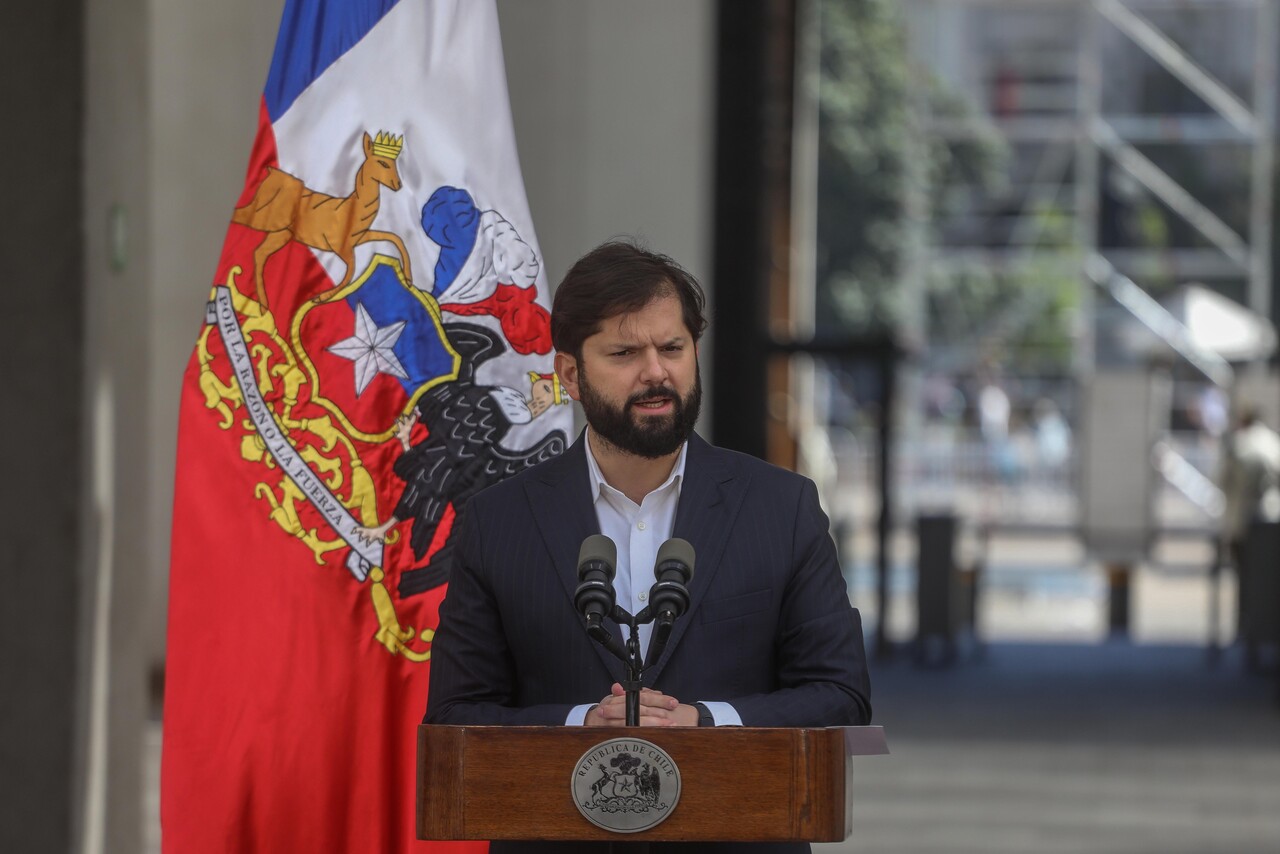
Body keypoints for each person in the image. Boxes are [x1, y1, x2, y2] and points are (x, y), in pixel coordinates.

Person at [425, 240, 872, 853]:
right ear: (570, 375)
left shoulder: (781, 508)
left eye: (672, 348)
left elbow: (843, 698)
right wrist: (585, 723)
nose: (656, 372)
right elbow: (455, 717)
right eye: (624, 353)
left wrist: (704, 721)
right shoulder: (498, 522)